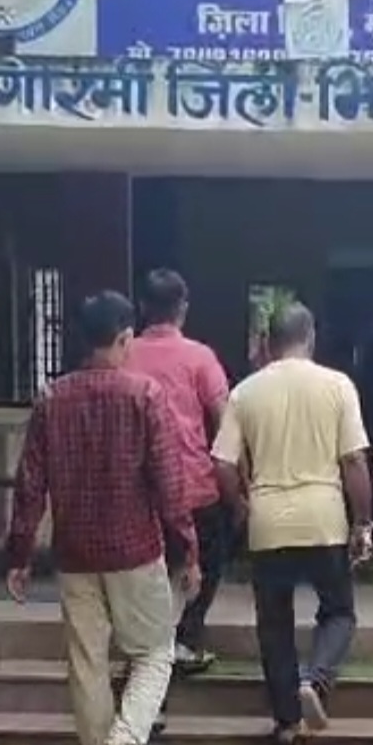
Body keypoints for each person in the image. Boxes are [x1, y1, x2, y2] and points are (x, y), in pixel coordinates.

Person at [4, 290, 200, 745]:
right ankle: (125, 743)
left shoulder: (51, 399)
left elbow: (30, 485)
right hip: (136, 549)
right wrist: (188, 545)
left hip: (75, 554)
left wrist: (19, 554)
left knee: (87, 665)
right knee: (154, 653)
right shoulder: (145, 395)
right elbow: (168, 482)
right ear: (124, 338)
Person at [211, 302, 373, 745]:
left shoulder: (246, 392)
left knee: (274, 624)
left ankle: (286, 723)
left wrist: (240, 505)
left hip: (268, 520)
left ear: (268, 342)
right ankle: (315, 681)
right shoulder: (338, 386)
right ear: (311, 337)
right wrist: (363, 521)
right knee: (339, 611)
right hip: (324, 518)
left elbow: (222, 464)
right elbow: (354, 461)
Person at [126, 268, 231, 674]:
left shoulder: (124, 355)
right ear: (183, 308)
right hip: (193, 483)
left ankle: (145, 646)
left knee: (145, 570)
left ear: (142, 307)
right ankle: (185, 637)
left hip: (137, 488)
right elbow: (223, 419)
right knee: (207, 560)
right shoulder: (200, 357)